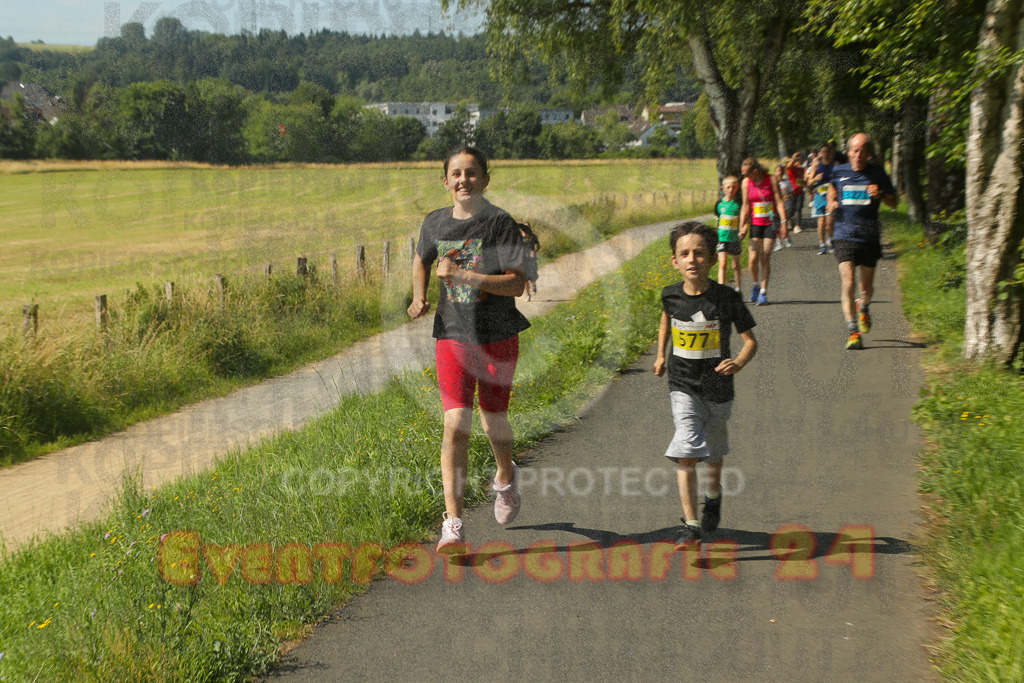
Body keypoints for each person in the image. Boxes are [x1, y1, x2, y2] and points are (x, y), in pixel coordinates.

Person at [407, 146, 530, 554]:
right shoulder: (434, 222)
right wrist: (419, 296)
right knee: (456, 423)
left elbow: (516, 284)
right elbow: (421, 259)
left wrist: (465, 275)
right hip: (453, 335)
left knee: (494, 423)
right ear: (446, 181)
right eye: (456, 174)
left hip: (496, 336)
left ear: (485, 179)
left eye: (472, 173)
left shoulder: (500, 224)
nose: (464, 180)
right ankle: (454, 523)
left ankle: (505, 478)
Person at [653, 221, 757, 550]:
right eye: (684, 254)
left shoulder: (727, 298)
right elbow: (666, 320)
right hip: (682, 385)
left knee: (713, 451)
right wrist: (659, 355)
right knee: (686, 452)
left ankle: (713, 497)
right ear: (674, 261)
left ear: (712, 258)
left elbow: (750, 341)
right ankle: (691, 526)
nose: (692, 259)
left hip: (718, 388)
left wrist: (738, 361)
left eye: (699, 253)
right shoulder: (670, 295)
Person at [826, 133, 898, 350]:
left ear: (869, 154)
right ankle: (853, 331)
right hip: (843, 234)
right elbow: (831, 191)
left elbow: (894, 203)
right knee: (848, 283)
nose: (858, 155)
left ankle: (863, 306)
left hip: (869, 236)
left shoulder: (877, 173)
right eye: (854, 150)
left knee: (865, 289)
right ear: (849, 152)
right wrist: (831, 203)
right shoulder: (839, 171)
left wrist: (882, 194)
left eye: (862, 151)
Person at [739, 157, 789, 305]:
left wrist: (784, 223)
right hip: (755, 223)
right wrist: (743, 224)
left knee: (765, 256)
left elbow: (779, 202)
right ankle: (755, 285)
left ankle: (763, 292)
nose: (745, 177)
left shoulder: (771, 179)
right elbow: (745, 205)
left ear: (755, 171)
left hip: (770, 223)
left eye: (747, 174)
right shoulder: (746, 183)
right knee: (752, 257)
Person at [806, 143, 837, 255]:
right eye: (822, 152)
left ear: (830, 153)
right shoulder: (817, 164)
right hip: (819, 195)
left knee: (830, 221)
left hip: (831, 195)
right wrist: (815, 179)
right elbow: (809, 182)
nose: (824, 154)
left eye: (826, 152)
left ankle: (832, 241)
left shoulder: (834, 164)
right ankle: (822, 244)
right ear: (821, 153)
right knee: (821, 221)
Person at [714, 175, 743, 292]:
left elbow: (743, 219)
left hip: (734, 238)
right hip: (722, 238)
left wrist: (742, 228)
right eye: (728, 187)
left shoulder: (738, 204)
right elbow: (717, 219)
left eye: (734, 187)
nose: (731, 189)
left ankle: (738, 287)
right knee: (723, 263)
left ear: (737, 188)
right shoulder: (719, 204)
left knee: (735, 264)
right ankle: (721, 290)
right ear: (723, 188)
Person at [517, 221, 540, 301]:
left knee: (532, 276)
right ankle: (528, 295)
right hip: (524, 259)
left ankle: (534, 286)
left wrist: (535, 252)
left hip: (532, 259)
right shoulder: (520, 237)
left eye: (527, 227)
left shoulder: (533, 237)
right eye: (524, 227)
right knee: (525, 279)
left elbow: (538, 246)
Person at [786, 152, 806, 236]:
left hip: (800, 191)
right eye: (799, 159)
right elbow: (788, 166)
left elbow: (804, 179)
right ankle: (788, 219)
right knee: (791, 209)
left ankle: (797, 226)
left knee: (798, 209)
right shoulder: (792, 168)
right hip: (792, 191)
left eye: (801, 159)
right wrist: (794, 158)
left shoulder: (801, 169)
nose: (800, 161)